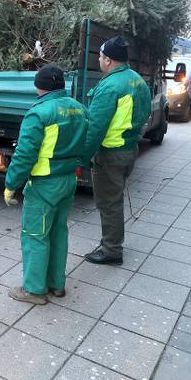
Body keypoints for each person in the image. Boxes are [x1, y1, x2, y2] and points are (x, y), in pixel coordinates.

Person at [3, 64, 88, 304]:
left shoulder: (39, 113)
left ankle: (34, 290)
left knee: (35, 235)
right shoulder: (80, 109)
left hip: (44, 185)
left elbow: (25, 155)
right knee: (58, 232)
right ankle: (56, 285)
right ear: (61, 85)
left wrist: (11, 184)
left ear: (38, 86)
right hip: (69, 180)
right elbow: (88, 140)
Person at [80, 37, 152, 265]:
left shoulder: (110, 86)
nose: (99, 61)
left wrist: (80, 159)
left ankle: (111, 250)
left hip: (110, 154)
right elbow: (145, 114)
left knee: (108, 202)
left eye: (101, 57)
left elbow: (95, 128)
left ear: (109, 60)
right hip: (129, 149)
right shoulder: (137, 81)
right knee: (115, 199)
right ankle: (112, 243)